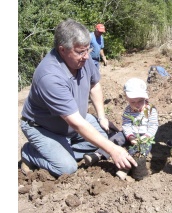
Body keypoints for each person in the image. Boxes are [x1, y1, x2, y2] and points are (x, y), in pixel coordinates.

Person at [20, 19, 137, 177]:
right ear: (62, 50)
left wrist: (102, 116)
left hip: (73, 121)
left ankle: (62, 148)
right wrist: (113, 150)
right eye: (81, 52)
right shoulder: (50, 76)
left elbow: (94, 85)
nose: (87, 56)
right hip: (43, 128)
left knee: (102, 136)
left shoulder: (81, 60)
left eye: (88, 50)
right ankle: (30, 153)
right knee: (66, 168)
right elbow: (75, 122)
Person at [83, 78, 159, 179]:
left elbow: (153, 125)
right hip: (130, 134)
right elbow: (126, 125)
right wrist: (130, 136)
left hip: (145, 137)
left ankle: (125, 168)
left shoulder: (150, 110)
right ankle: (98, 154)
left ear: (145, 97)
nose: (136, 104)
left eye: (140, 101)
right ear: (127, 99)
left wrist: (146, 136)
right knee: (116, 138)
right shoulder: (128, 110)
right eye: (132, 102)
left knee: (139, 150)